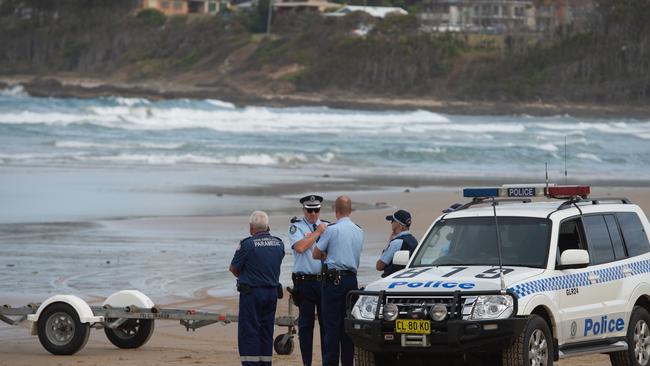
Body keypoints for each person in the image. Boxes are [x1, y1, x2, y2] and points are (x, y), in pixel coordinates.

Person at [312, 196, 364, 366]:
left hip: (334, 282)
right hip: (351, 281)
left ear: (336, 210)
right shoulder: (359, 230)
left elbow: (315, 253)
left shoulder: (332, 230)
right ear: (350, 210)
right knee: (347, 328)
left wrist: (328, 255)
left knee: (331, 327)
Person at [230, 211, 285, 366]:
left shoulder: (247, 244)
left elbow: (233, 268)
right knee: (266, 331)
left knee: (249, 331)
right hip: (272, 293)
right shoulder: (279, 243)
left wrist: (248, 276)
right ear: (268, 226)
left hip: (252, 293)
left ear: (251, 227)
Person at [288, 194, 328, 366]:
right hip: (305, 282)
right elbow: (301, 247)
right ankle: (307, 363)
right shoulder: (296, 227)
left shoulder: (327, 225)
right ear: (304, 210)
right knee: (306, 325)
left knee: (326, 324)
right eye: (310, 210)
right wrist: (317, 232)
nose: (313, 214)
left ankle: (328, 361)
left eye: (316, 210)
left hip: (323, 281)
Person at [376, 209, 418, 277]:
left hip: (392, 280)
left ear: (398, 224)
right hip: (408, 277)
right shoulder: (414, 240)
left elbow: (379, 266)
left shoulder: (396, 242)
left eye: (392, 221)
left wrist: (389, 243)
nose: (391, 223)